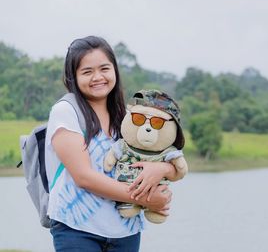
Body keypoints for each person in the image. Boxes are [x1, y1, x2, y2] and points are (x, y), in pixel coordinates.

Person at [45, 36, 179, 251]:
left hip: (126, 230)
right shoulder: (66, 111)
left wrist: (161, 168)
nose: (97, 77)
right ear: (73, 77)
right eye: (87, 72)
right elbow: (84, 177)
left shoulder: (129, 117)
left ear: (114, 70)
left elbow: (168, 158)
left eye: (104, 68)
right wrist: (146, 198)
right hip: (77, 229)